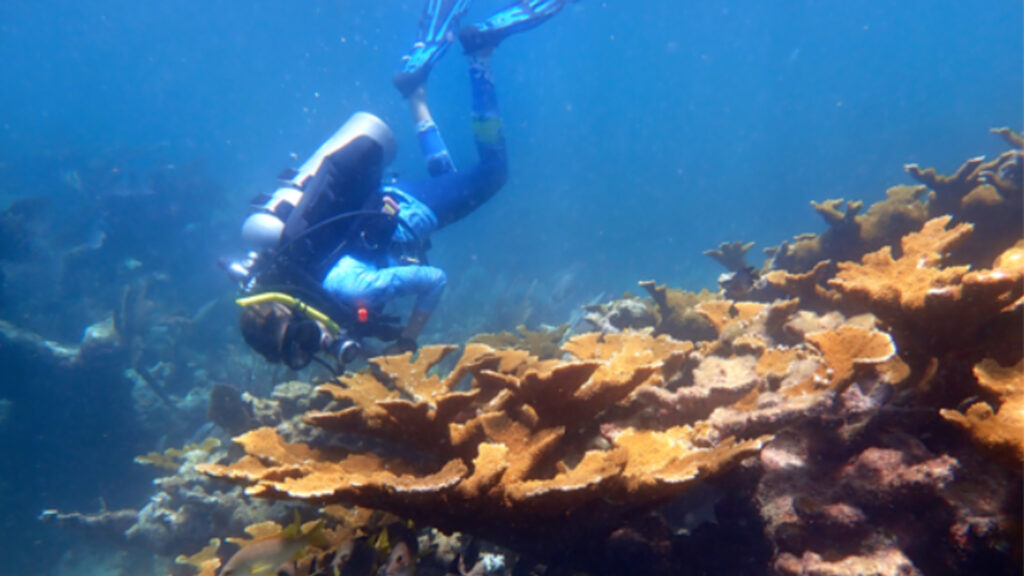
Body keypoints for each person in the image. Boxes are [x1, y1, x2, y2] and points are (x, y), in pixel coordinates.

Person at [226, 0, 572, 372]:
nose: (319, 346)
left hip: (409, 209)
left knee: (493, 174)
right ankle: (415, 92)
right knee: (449, 181)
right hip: (388, 204)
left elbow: (434, 280)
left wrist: (409, 339)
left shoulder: (353, 288)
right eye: (303, 353)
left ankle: (480, 53)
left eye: (306, 341)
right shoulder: (291, 275)